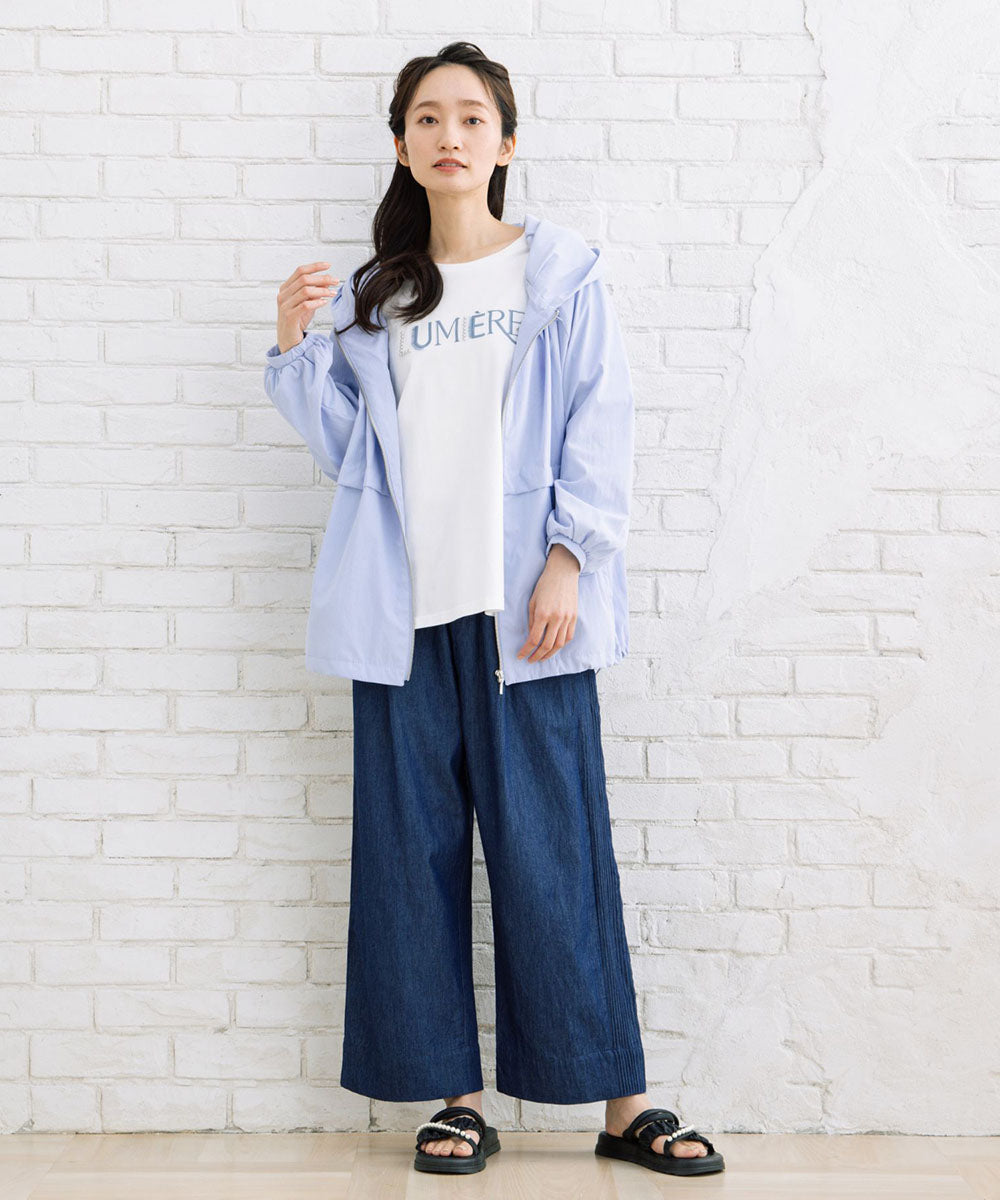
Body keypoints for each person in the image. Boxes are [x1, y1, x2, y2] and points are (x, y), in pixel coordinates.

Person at [263, 39, 724, 1181]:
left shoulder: (557, 275)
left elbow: (599, 422)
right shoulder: (378, 299)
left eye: (471, 117)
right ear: (402, 145)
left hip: (529, 621)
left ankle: (622, 1104)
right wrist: (293, 350)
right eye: (427, 118)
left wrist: (571, 557)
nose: (449, 135)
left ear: (505, 143)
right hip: (403, 619)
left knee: (557, 857)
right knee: (408, 859)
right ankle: (457, 1102)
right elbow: (351, 458)